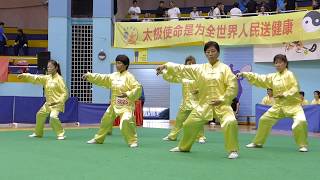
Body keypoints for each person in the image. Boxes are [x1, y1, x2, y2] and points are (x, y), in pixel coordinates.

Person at [156, 41, 239, 159]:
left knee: (230, 121)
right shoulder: (200, 68)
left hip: (222, 104)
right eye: (207, 52)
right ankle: (183, 147)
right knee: (189, 123)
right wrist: (166, 66)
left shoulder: (225, 69)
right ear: (205, 54)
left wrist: (223, 99)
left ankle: (233, 150)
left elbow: (233, 86)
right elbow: (182, 69)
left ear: (218, 52)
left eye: (213, 51)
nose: (210, 54)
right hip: (204, 104)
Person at [237, 54, 309, 152]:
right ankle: (258, 142)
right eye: (276, 63)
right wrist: (245, 74)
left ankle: (302, 145)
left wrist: (284, 94)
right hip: (278, 107)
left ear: (285, 63)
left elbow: (295, 88)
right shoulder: (273, 77)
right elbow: (260, 78)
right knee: (264, 120)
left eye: (280, 62)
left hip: (293, 106)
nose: (277, 65)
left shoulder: (290, 74)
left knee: (301, 122)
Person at [83, 55, 142, 148]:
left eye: (119, 63)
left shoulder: (130, 77)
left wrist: (127, 94)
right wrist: (90, 76)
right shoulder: (114, 75)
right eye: (116, 63)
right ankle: (99, 139)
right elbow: (102, 78)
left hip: (126, 106)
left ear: (125, 65)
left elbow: (137, 88)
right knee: (105, 121)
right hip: (114, 105)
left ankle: (132, 141)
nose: (117, 65)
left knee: (126, 121)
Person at [17, 60, 68, 140]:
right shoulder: (47, 78)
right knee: (39, 115)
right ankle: (38, 133)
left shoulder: (59, 79)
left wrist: (59, 101)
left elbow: (65, 93)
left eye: (51, 67)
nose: (49, 68)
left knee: (53, 117)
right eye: (48, 67)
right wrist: (25, 75)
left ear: (56, 68)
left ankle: (60, 134)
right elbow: (37, 77)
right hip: (48, 103)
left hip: (56, 104)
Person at [161, 56, 206, 144]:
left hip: (196, 102)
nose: (191, 65)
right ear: (185, 65)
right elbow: (172, 78)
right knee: (179, 120)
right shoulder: (183, 76)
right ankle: (172, 136)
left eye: (192, 63)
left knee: (198, 120)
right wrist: (163, 72)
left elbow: (205, 85)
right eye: (189, 63)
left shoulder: (199, 74)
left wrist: (199, 90)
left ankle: (201, 137)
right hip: (185, 102)